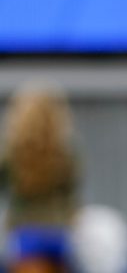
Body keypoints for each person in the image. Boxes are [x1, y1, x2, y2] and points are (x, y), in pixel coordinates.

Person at [0, 85, 81, 273]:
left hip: (25, 235)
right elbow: (72, 195)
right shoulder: (67, 153)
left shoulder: (11, 154)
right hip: (59, 235)